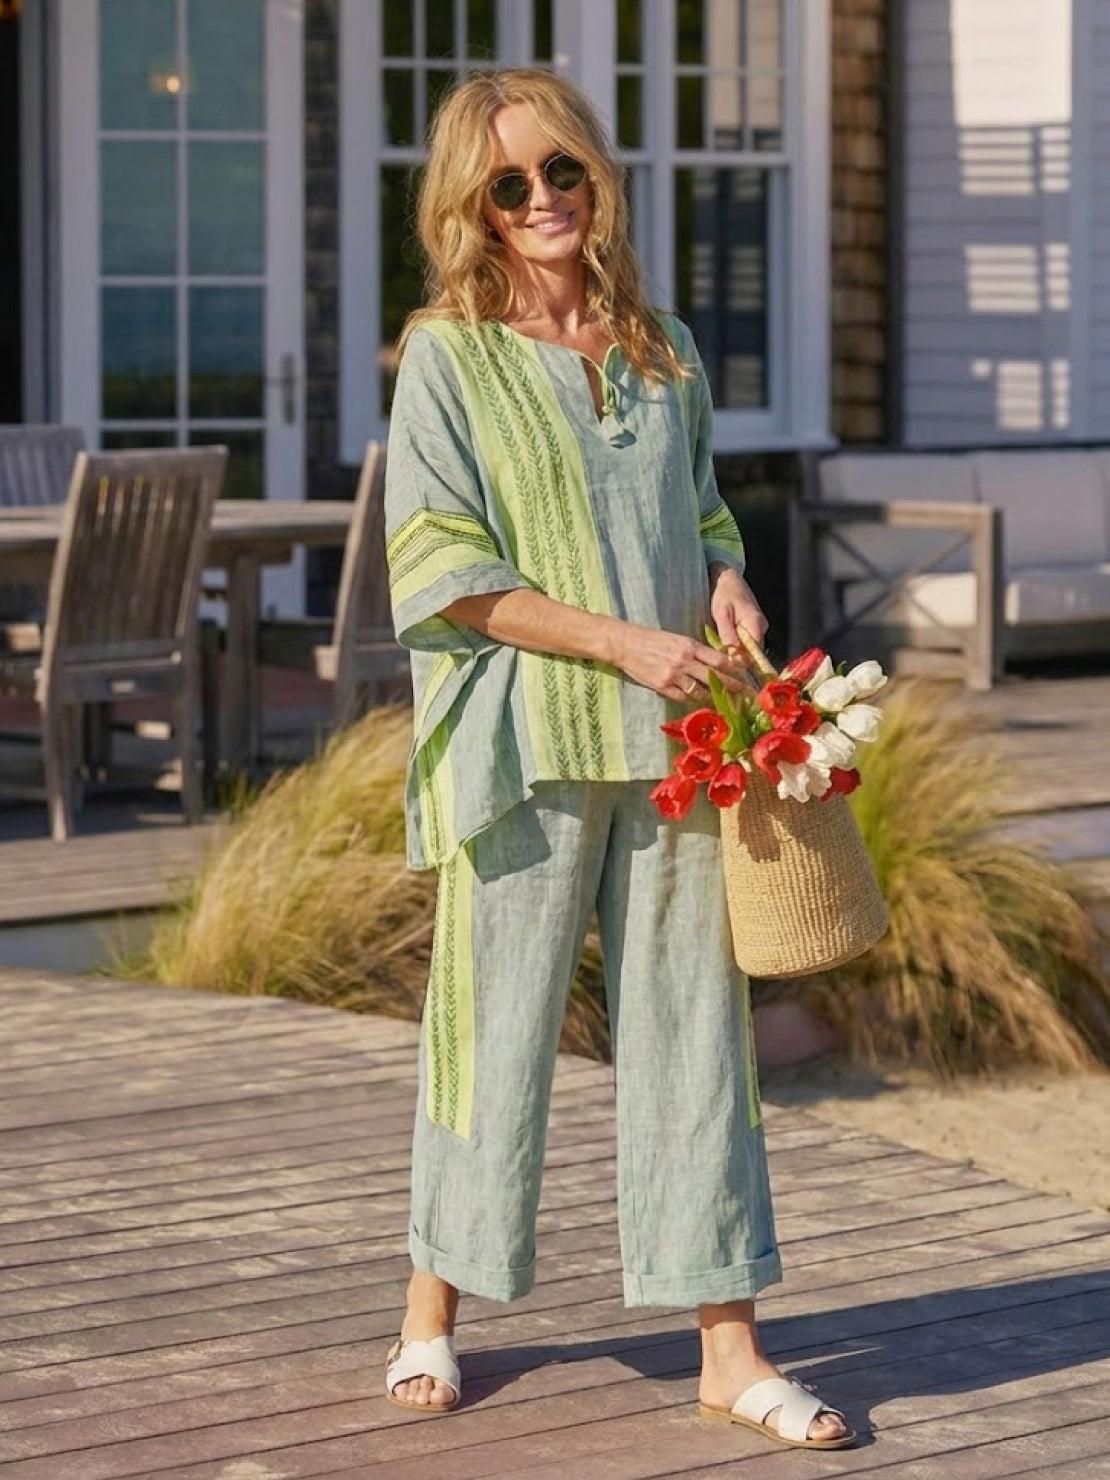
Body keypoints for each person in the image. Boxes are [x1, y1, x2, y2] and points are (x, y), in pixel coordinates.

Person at [380, 67, 855, 1451]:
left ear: (597, 175)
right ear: (471, 207)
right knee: (492, 1035)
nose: (540, 200)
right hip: (522, 748)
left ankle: (729, 1352)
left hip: (676, 753)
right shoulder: (448, 358)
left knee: (696, 1042)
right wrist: (621, 643)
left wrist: (725, 583)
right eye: (507, 184)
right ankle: (428, 1313)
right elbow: (444, 569)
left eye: (560, 171)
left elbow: (699, 512)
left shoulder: (663, 347)